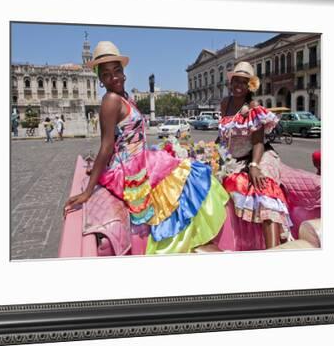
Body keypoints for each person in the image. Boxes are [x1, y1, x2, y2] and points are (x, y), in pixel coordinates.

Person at [64, 41, 229, 254]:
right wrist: (88, 192)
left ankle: (193, 239)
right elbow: (106, 146)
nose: (114, 77)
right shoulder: (111, 100)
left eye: (117, 70)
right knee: (187, 174)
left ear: (123, 72)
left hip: (140, 158)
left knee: (185, 173)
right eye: (106, 74)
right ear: (101, 80)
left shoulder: (124, 98)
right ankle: (187, 241)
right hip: (130, 167)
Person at [218, 61, 293, 248]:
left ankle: (273, 251)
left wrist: (254, 166)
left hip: (259, 154)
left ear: (250, 86)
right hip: (233, 159)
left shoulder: (253, 106)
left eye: (243, 82)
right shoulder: (225, 104)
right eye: (235, 81)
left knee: (264, 186)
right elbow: (223, 136)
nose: (238, 86)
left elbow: (258, 141)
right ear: (230, 83)